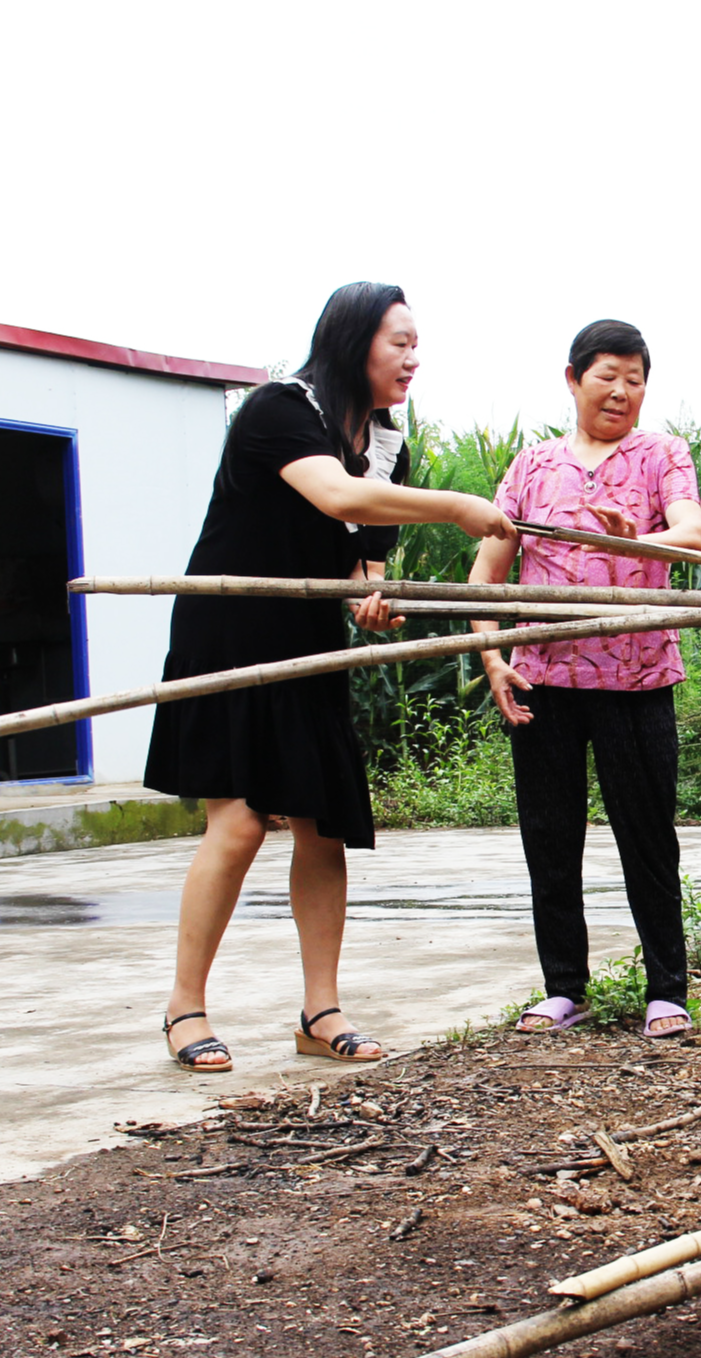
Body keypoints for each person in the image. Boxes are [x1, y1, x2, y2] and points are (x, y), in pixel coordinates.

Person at [145, 282, 516, 1072]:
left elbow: (360, 573)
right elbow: (335, 494)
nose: (414, 358)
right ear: (353, 342)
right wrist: (455, 506)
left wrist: (369, 605)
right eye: (400, 342)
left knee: (321, 824)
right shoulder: (278, 410)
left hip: (310, 642)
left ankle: (321, 1009)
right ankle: (184, 1005)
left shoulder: (386, 446)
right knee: (240, 820)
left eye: (418, 344)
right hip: (230, 634)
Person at [470, 319, 701, 1040]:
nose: (622, 391)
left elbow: (691, 534)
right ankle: (563, 987)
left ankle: (667, 989)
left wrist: (631, 538)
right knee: (550, 834)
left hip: (637, 679)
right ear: (572, 379)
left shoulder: (663, 454)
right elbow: (486, 576)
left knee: (647, 834)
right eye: (607, 375)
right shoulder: (532, 467)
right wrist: (492, 657)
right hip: (544, 676)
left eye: (635, 379)